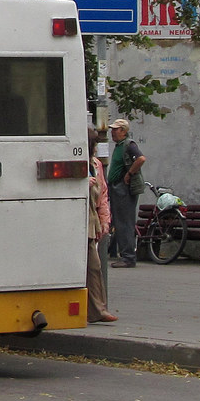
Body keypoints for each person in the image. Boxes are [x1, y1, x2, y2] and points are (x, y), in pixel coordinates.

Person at [105, 118, 146, 268]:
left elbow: (141, 159)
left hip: (124, 189)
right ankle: (123, 254)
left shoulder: (129, 145)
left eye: (115, 129)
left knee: (124, 222)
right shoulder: (120, 145)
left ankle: (128, 257)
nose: (112, 132)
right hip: (117, 187)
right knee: (119, 221)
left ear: (123, 131)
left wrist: (129, 174)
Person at [86, 126, 116, 321]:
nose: (96, 148)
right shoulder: (77, 163)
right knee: (93, 266)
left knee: (93, 266)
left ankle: (97, 310)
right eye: (94, 144)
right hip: (79, 220)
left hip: (91, 220)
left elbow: (103, 194)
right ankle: (97, 310)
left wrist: (105, 220)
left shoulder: (96, 165)